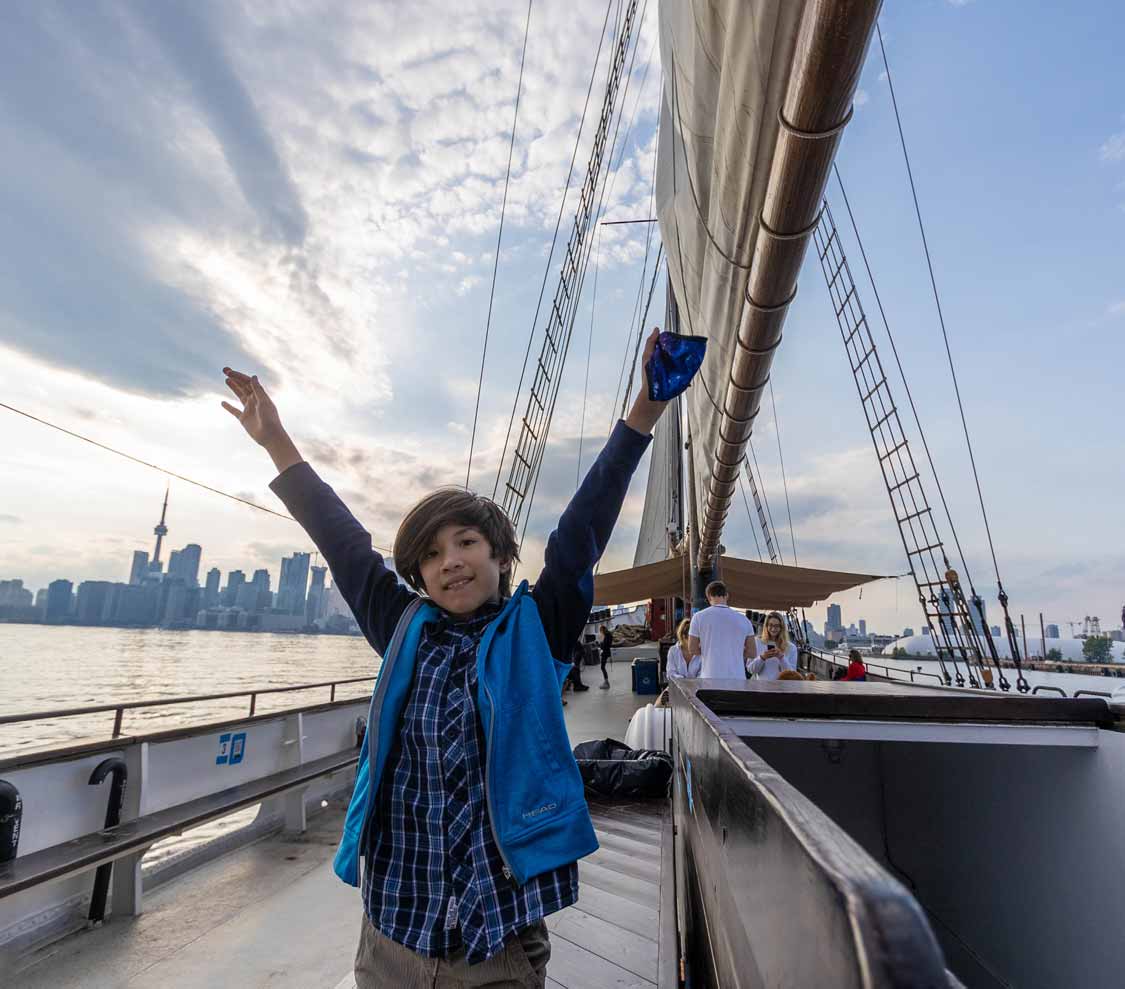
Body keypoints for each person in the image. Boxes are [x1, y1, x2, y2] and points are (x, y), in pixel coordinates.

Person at [220, 327, 672, 988]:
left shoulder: (536, 629)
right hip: (391, 934)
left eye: (465, 542)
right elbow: (341, 539)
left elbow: (580, 533)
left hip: (497, 937)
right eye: (431, 553)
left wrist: (644, 411)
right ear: (418, 572)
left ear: (498, 556)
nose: (450, 560)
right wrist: (276, 441)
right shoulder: (401, 626)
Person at [687, 581, 757, 679]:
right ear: (727, 596)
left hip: (710, 678)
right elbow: (752, 652)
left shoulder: (698, 617)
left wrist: (709, 650)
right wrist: (734, 651)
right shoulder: (744, 620)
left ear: (708, 597)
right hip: (737, 678)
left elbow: (692, 648)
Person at [747, 611, 798, 681]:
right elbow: (750, 670)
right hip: (761, 688)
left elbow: (792, 675)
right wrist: (762, 657)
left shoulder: (791, 647)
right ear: (766, 626)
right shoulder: (757, 642)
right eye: (771, 625)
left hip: (782, 689)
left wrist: (781, 658)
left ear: (781, 627)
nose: (773, 629)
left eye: (777, 626)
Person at [598, 624, 613, 689]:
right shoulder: (609, 635)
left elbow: (605, 646)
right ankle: (606, 682)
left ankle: (606, 683)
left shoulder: (607, 636)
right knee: (603, 667)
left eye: (600, 631)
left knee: (602, 667)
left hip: (605, 653)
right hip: (606, 652)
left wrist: (600, 644)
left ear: (602, 630)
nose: (601, 632)